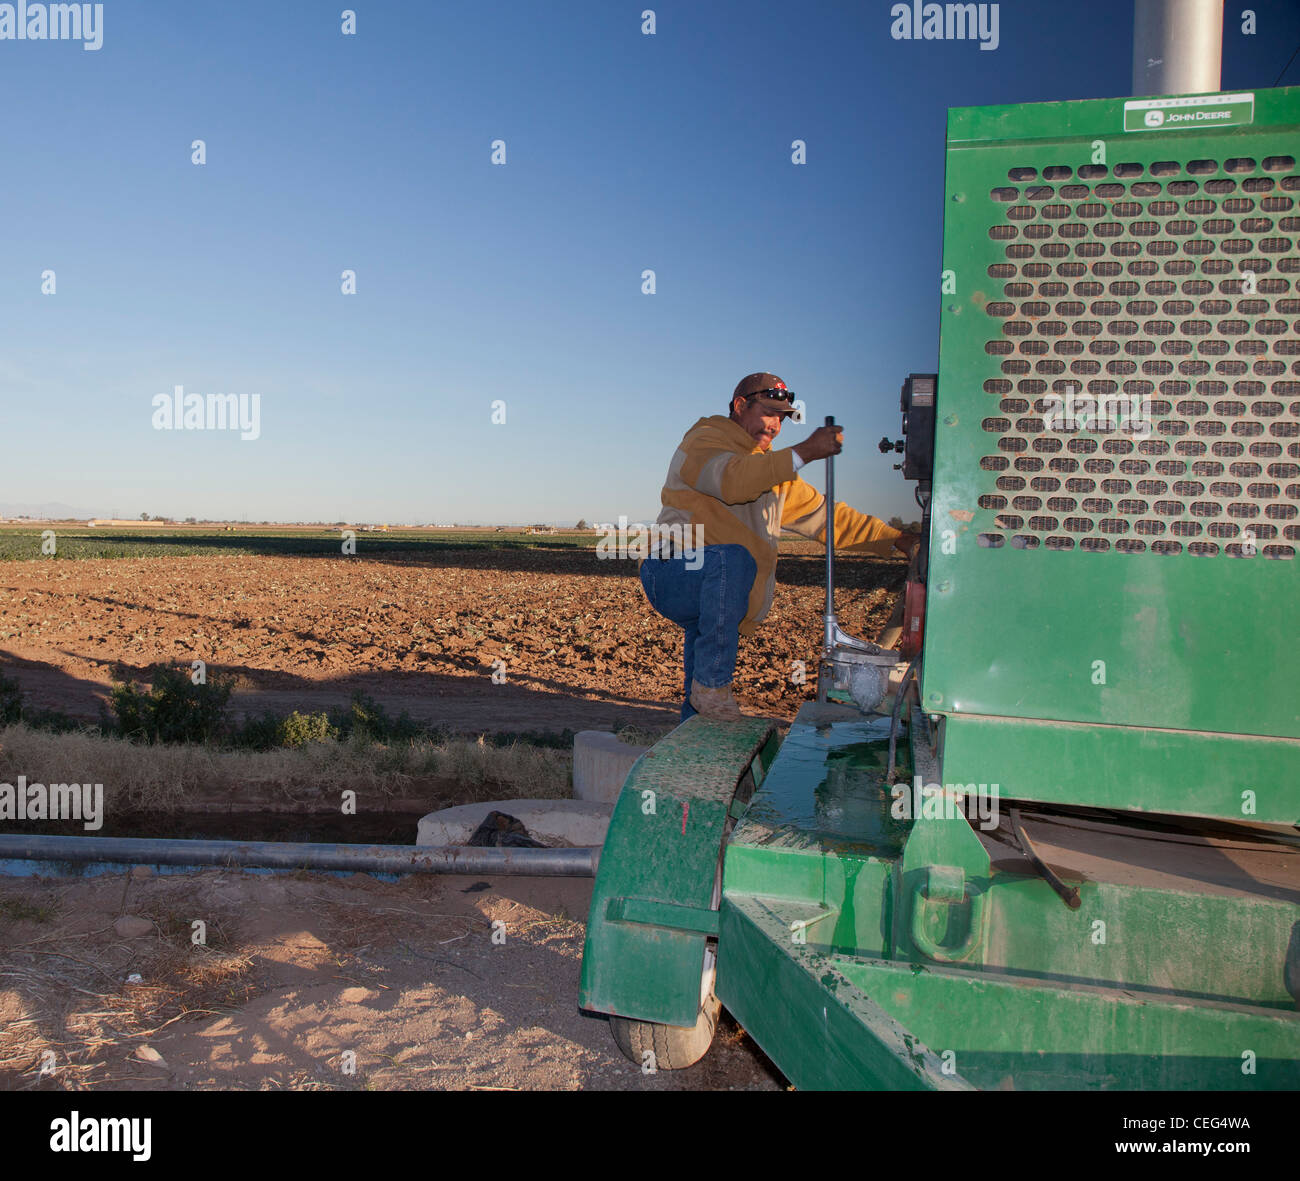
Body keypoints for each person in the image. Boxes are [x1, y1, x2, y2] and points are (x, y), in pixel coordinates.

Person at [640, 372, 919, 721]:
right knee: (734, 561)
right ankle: (711, 684)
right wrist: (804, 452)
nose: (774, 425)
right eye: (768, 412)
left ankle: (697, 743)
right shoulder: (705, 440)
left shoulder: (773, 475)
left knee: (704, 701)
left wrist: (901, 541)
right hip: (672, 570)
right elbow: (733, 481)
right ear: (740, 406)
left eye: (782, 418)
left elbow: (829, 519)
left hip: (714, 588)